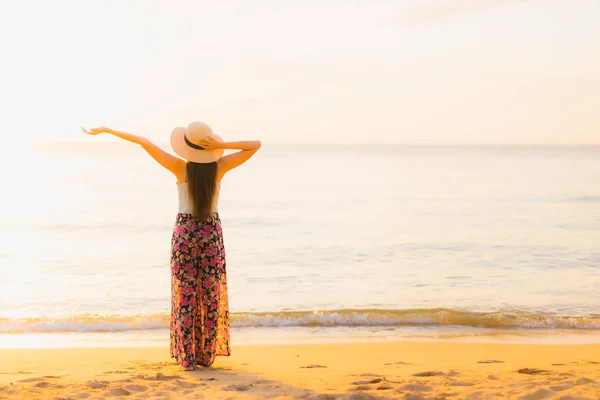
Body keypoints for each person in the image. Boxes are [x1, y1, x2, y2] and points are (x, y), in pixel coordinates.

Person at [82, 122, 261, 370]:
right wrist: (222, 146)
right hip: (210, 232)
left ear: (187, 146)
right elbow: (255, 145)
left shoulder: (179, 167)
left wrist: (109, 131)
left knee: (185, 293)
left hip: (185, 233)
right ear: (209, 146)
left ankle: (187, 358)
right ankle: (205, 355)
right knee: (210, 294)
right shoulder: (220, 167)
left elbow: (143, 141)